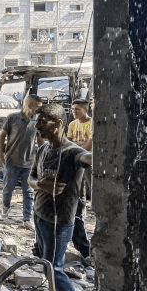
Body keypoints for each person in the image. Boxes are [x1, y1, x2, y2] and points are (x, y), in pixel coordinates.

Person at [28, 102, 92, 291]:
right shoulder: (43, 150)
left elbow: (87, 158)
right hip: (40, 214)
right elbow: (31, 178)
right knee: (45, 262)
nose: (38, 125)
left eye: (42, 121)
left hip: (60, 221)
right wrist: (41, 186)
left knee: (53, 268)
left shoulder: (73, 153)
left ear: (58, 123)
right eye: (37, 121)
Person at [0, 95, 43, 229]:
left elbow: (40, 142)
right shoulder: (13, 118)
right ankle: (5, 209)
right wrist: (0, 154)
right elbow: (2, 136)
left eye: (39, 108)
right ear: (28, 104)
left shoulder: (38, 122)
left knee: (28, 192)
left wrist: (42, 158)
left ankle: (27, 218)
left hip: (29, 164)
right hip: (12, 161)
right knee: (8, 189)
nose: (37, 110)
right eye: (36, 107)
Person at [66, 99, 94, 265]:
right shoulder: (72, 124)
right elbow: (69, 143)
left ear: (85, 109)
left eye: (77, 109)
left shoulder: (92, 124)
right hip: (76, 163)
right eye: (73, 109)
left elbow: (88, 147)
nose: (74, 111)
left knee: (90, 190)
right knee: (79, 193)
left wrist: (77, 146)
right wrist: (78, 146)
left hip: (89, 162)